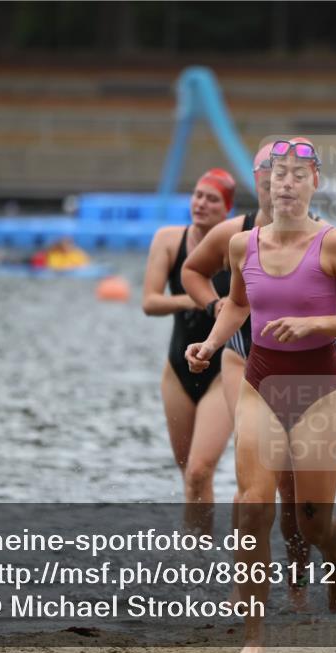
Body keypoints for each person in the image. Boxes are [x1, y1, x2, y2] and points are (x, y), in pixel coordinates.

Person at [185, 138, 336, 653]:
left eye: (299, 174)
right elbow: (237, 305)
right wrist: (209, 344)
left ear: (315, 182)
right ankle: (255, 638)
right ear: (268, 185)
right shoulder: (242, 245)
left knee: (313, 520)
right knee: (253, 507)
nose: (288, 183)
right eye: (279, 175)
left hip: (321, 390)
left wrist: (315, 322)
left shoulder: (334, 244)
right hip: (260, 382)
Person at [142, 168, 237, 534]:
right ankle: (195, 555)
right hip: (177, 369)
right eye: (197, 195)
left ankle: (200, 554)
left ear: (226, 210)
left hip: (222, 369)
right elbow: (150, 302)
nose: (201, 203)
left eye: (212, 198)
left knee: (200, 470)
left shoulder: (236, 245)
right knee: (189, 474)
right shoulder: (168, 240)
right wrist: (203, 299)